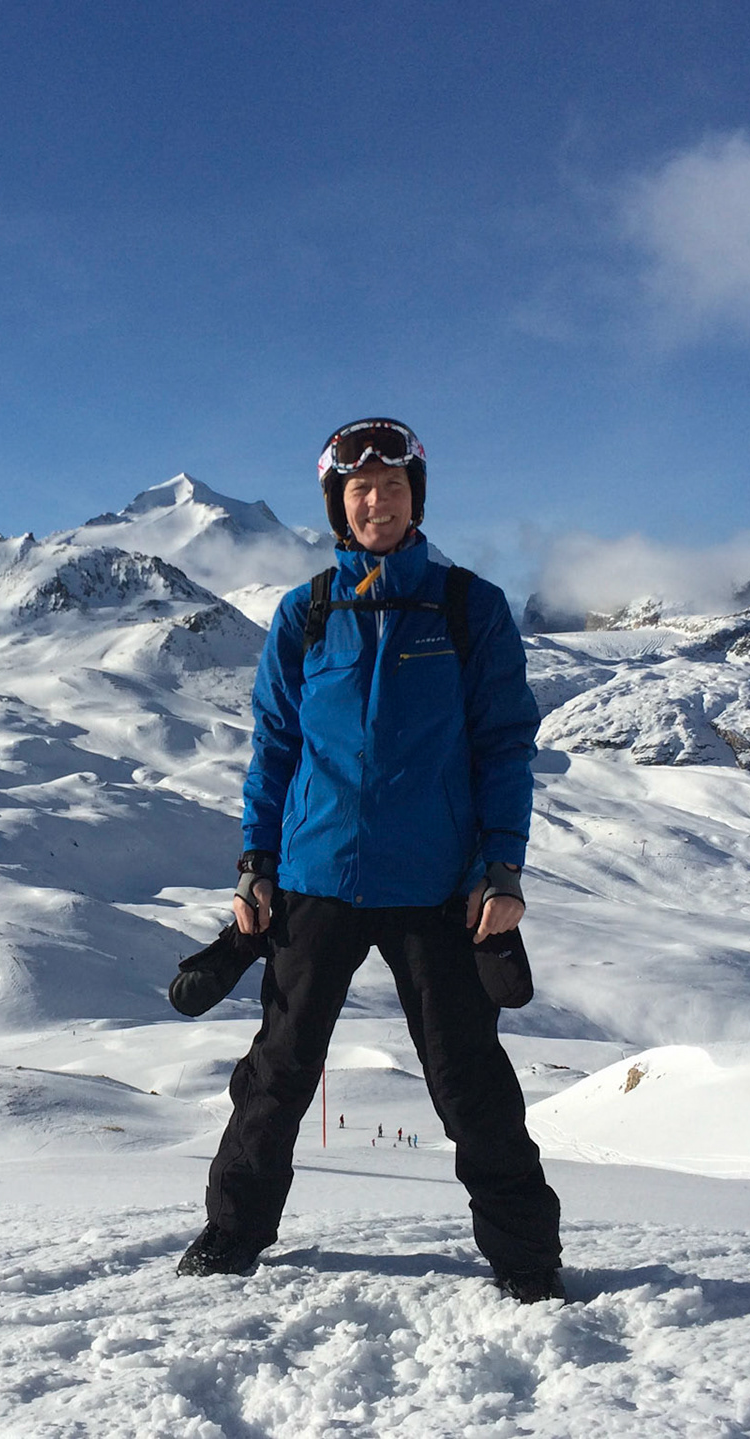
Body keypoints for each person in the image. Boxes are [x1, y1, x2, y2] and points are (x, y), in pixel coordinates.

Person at [176, 417, 565, 1303]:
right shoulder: (306, 613)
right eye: (360, 490)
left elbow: (506, 744)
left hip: (436, 887)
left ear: (414, 500)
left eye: (392, 487)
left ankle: (527, 1260)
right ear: (338, 506)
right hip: (315, 880)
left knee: (470, 1081)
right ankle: (234, 1233)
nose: (376, 500)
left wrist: (502, 869)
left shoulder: (469, 608)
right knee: (277, 1074)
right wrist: (255, 863)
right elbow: (274, 747)